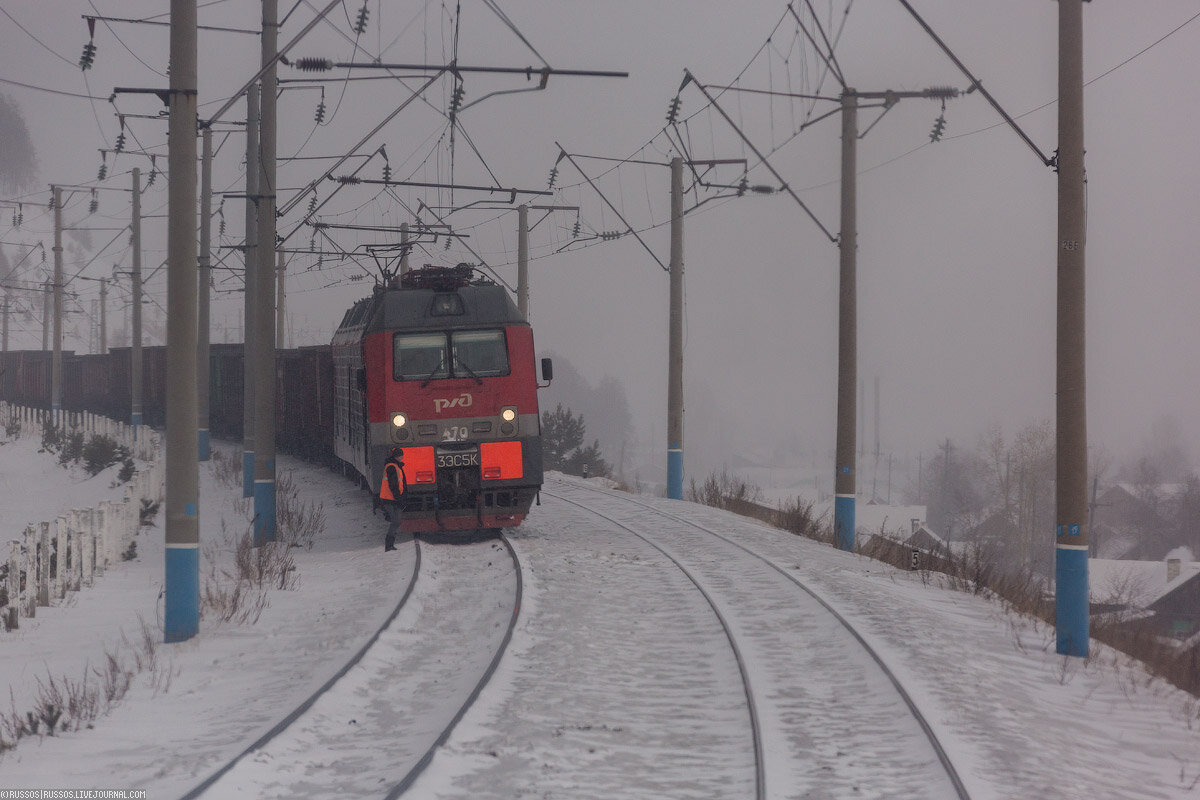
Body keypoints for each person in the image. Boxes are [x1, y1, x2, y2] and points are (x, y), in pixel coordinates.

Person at [379, 446, 407, 551]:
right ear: (397, 456)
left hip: (394, 499)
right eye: (400, 455)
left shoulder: (396, 466)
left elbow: (400, 484)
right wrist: (398, 498)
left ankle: (390, 544)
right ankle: (389, 544)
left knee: (397, 521)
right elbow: (393, 485)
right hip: (390, 499)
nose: (402, 457)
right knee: (395, 521)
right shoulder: (392, 467)